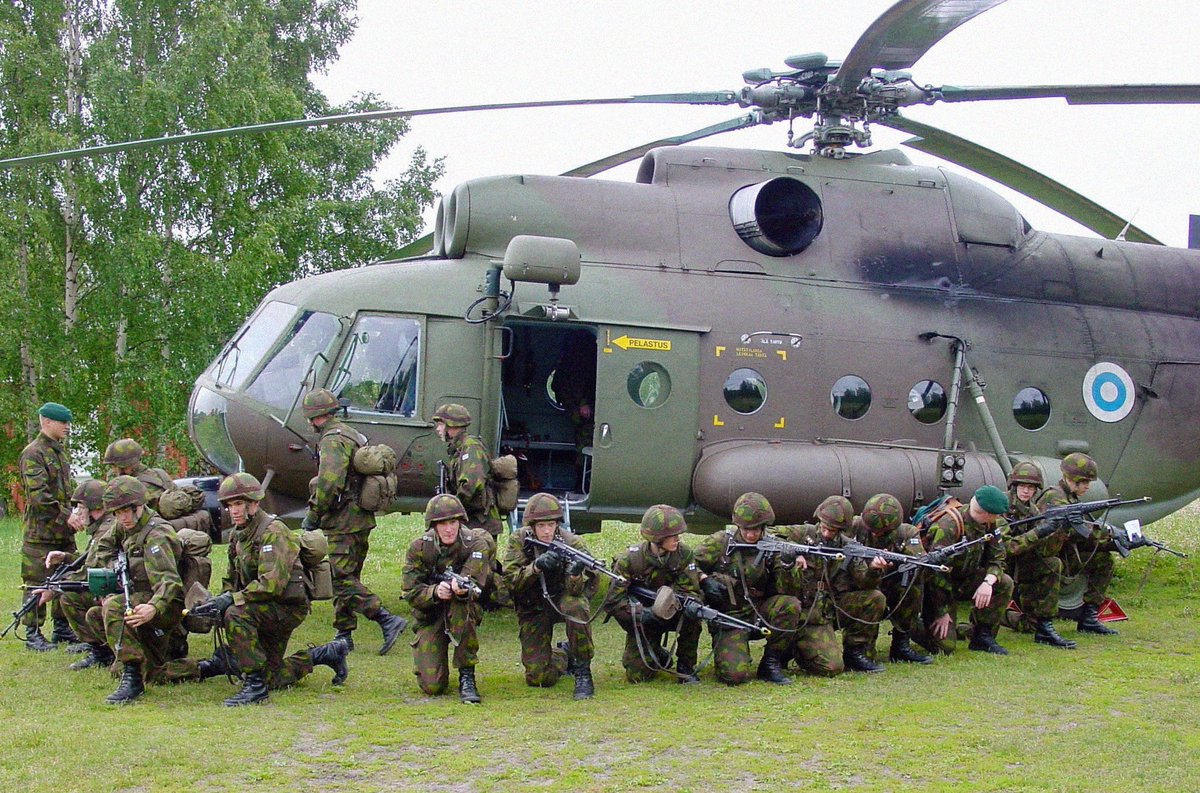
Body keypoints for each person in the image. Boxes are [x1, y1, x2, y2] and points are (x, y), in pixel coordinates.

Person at [181, 473, 349, 706]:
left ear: (254, 503)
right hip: (261, 607)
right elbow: (232, 580)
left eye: (239, 504)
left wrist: (231, 601)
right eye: (230, 505)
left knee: (235, 614)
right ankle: (325, 654)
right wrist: (217, 602)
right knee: (273, 674)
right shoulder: (238, 536)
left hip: (285, 607)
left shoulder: (274, 532)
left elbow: (271, 584)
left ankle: (255, 687)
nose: (234, 511)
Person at [300, 387, 407, 653]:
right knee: (348, 576)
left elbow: (330, 482)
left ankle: (385, 618)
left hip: (344, 520)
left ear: (316, 417)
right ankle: (343, 634)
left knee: (341, 579)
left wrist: (313, 515)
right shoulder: (350, 433)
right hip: (359, 517)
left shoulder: (332, 440)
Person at [693, 492, 803, 685]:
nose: (751, 534)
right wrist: (703, 579)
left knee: (790, 605)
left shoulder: (773, 547)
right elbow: (688, 564)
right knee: (734, 676)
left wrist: (787, 565)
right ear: (738, 525)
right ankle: (733, 650)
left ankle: (771, 662)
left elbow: (789, 590)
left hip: (759, 612)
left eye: (757, 529)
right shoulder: (720, 542)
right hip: (730, 617)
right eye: (746, 529)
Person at [500, 493, 598, 699]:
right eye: (541, 526)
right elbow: (510, 581)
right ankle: (564, 654)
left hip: (563, 598)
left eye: (551, 525)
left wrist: (574, 574)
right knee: (539, 678)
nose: (546, 531)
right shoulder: (519, 540)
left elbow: (587, 588)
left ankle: (583, 670)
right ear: (532, 526)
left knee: (576, 607)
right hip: (533, 605)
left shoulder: (573, 543)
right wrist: (535, 568)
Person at [775, 495, 886, 674]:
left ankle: (855, 652)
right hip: (805, 612)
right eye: (825, 528)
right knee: (831, 667)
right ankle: (795, 647)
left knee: (874, 598)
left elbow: (864, 583)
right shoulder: (801, 533)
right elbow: (769, 535)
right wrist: (794, 553)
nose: (827, 534)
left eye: (833, 531)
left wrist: (873, 569)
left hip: (831, 610)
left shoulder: (848, 547)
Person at [99, 476, 184, 704]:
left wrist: (154, 608)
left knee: (114, 608)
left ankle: (132, 676)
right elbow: (104, 547)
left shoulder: (156, 535)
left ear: (139, 507)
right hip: (141, 597)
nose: (122, 518)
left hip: (166, 605)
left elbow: (170, 581)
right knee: (155, 672)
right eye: (117, 513)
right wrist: (114, 567)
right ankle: (138, 661)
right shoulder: (125, 525)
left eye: (126, 511)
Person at [402, 494, 491, 704]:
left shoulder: (476, 545)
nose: (449, 529)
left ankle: (467, 675)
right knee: (432, 685)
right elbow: (410, 592)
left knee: (460, 605)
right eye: (443, 523)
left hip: (463, 609)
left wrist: (460, 591)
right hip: (431, 615)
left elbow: (475, 582)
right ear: (433, 525)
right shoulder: (419, 548)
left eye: (453, 522)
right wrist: (434, 592)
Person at [604, 504, 703, 684]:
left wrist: (690, 604)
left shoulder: (684, 555)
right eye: (672, 536)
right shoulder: (630, 560)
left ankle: (686, 667)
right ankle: (657, 653)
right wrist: (642, 614)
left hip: (674, 612)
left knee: (693, 615)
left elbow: (690, 590)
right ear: (657, 538)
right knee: (637, 676)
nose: (677, 539)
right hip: (644, 619)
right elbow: (613, 601)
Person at [916, 485, 1014, 656]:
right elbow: (934, 573)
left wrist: (988, 582)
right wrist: (941, 612)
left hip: (964, 580)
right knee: (945, 647)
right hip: (936, 590)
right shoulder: (948, 526)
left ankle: (983, 635)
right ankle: (912, 624)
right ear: (987, 514)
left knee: (1004, 582)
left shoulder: (988, 524)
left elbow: (997, 557)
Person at [18, 402, 78, 652]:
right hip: (41, 533)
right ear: (47, 422)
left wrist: (78, 510)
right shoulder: (34, 453)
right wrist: (68, 517)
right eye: (63, 422)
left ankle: (62, 628)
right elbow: (39, 498)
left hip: (63, 532)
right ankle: (33, 633)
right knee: (36, 581)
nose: (67, 427)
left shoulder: (59, 452)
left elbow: (66, 490)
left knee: (66, 577)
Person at [1040, 453, 1119, 636]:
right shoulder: (1055, 497)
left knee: (1103, 561)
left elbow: (1081, 531)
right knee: (1029, 624)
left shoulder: (1071, 497)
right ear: (1071, 479)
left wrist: (1114, 540)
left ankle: (1089, 618)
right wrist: (1107, 535)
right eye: (1084, 482)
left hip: (1063, 554)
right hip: (1045, 558)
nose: (1087, 486)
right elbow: (1077, 531)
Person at [853, 493, 935, 664]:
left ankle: (901, 644)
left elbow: (922, 568)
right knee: (866, 656)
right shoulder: (855, 526)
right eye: (872, 530)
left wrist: (912, 561)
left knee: (914, 585)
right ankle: (859, 646)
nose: (875, 535)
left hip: (894, 587)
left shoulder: (907, 533)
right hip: (862, 585)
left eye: (880, 532)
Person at [1004, 462, 1076, 648]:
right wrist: (1040, 531)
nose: (1026, 491)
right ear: (1014, 486)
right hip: (998, 566)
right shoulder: (1002, 507)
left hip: (1021, 565)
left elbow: (1042, 549)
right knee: (979, 627)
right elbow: (1009, 547)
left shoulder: (1033, 510)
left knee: (1052, 564)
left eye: (1031, 488)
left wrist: (1060, 529)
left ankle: (1044, 626)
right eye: (1022, 486)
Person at [52, 479, 119, 670]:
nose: (78, 513)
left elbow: (89, 571)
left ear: (94, 508)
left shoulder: (105, 529)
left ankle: (101, 650)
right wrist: (66, 557)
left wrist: (57, 587)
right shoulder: (104, 526)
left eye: (81, 507)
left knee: (70, 597)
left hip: (116, 590)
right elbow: (92, 559)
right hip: (114, 585)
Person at [431, 403, 503, 537]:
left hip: (480, 523)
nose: (438, 429)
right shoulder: (460, 448)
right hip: (472, 520)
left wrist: (451, 509)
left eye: (440, 424)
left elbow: (472, 484)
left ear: (451, 425)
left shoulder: (471, 447)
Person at [101, 438, 175, 511]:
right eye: (112, 466)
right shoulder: (159, 473)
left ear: (129, 464)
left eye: (115, 466)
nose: (114, 470)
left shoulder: (132, 487)